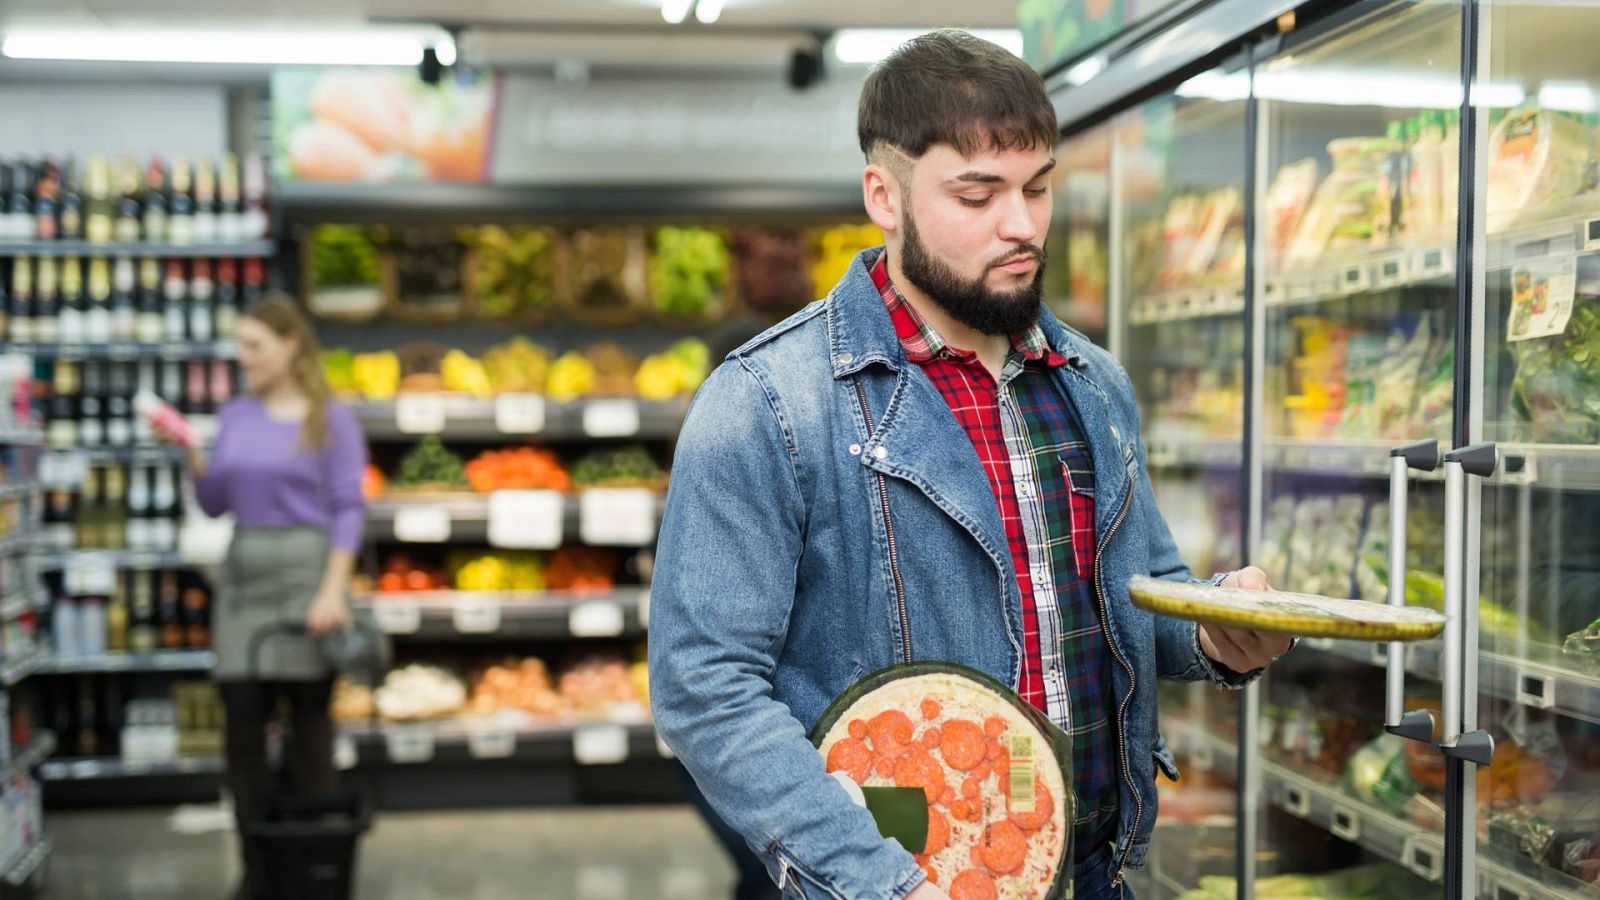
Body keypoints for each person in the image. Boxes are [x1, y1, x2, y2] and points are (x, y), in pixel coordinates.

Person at [649, 30, 1292, 900]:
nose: (1021, 224)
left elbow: (1142, 591)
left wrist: (1216, 630)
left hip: (1096, 876)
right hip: (893, 882)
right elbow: (704, 688)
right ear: (885, 194)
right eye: (977, 194)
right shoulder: (767, 401)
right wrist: (884, 882)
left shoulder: (1090, 381)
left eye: (1037, 187)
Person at [153, 292, 367, 900]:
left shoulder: (330, 417)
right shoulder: (235, 416)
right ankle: (257, 868)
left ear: (290, 345)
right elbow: (215, 503)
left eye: (254, 345)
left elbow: (349, 508)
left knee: (309, 725)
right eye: (240, 345)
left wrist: (334, 589)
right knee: (241, 729)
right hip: (244, 576)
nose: (243, 357)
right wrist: (192, 454)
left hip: (307, 574)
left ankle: (316, 866)